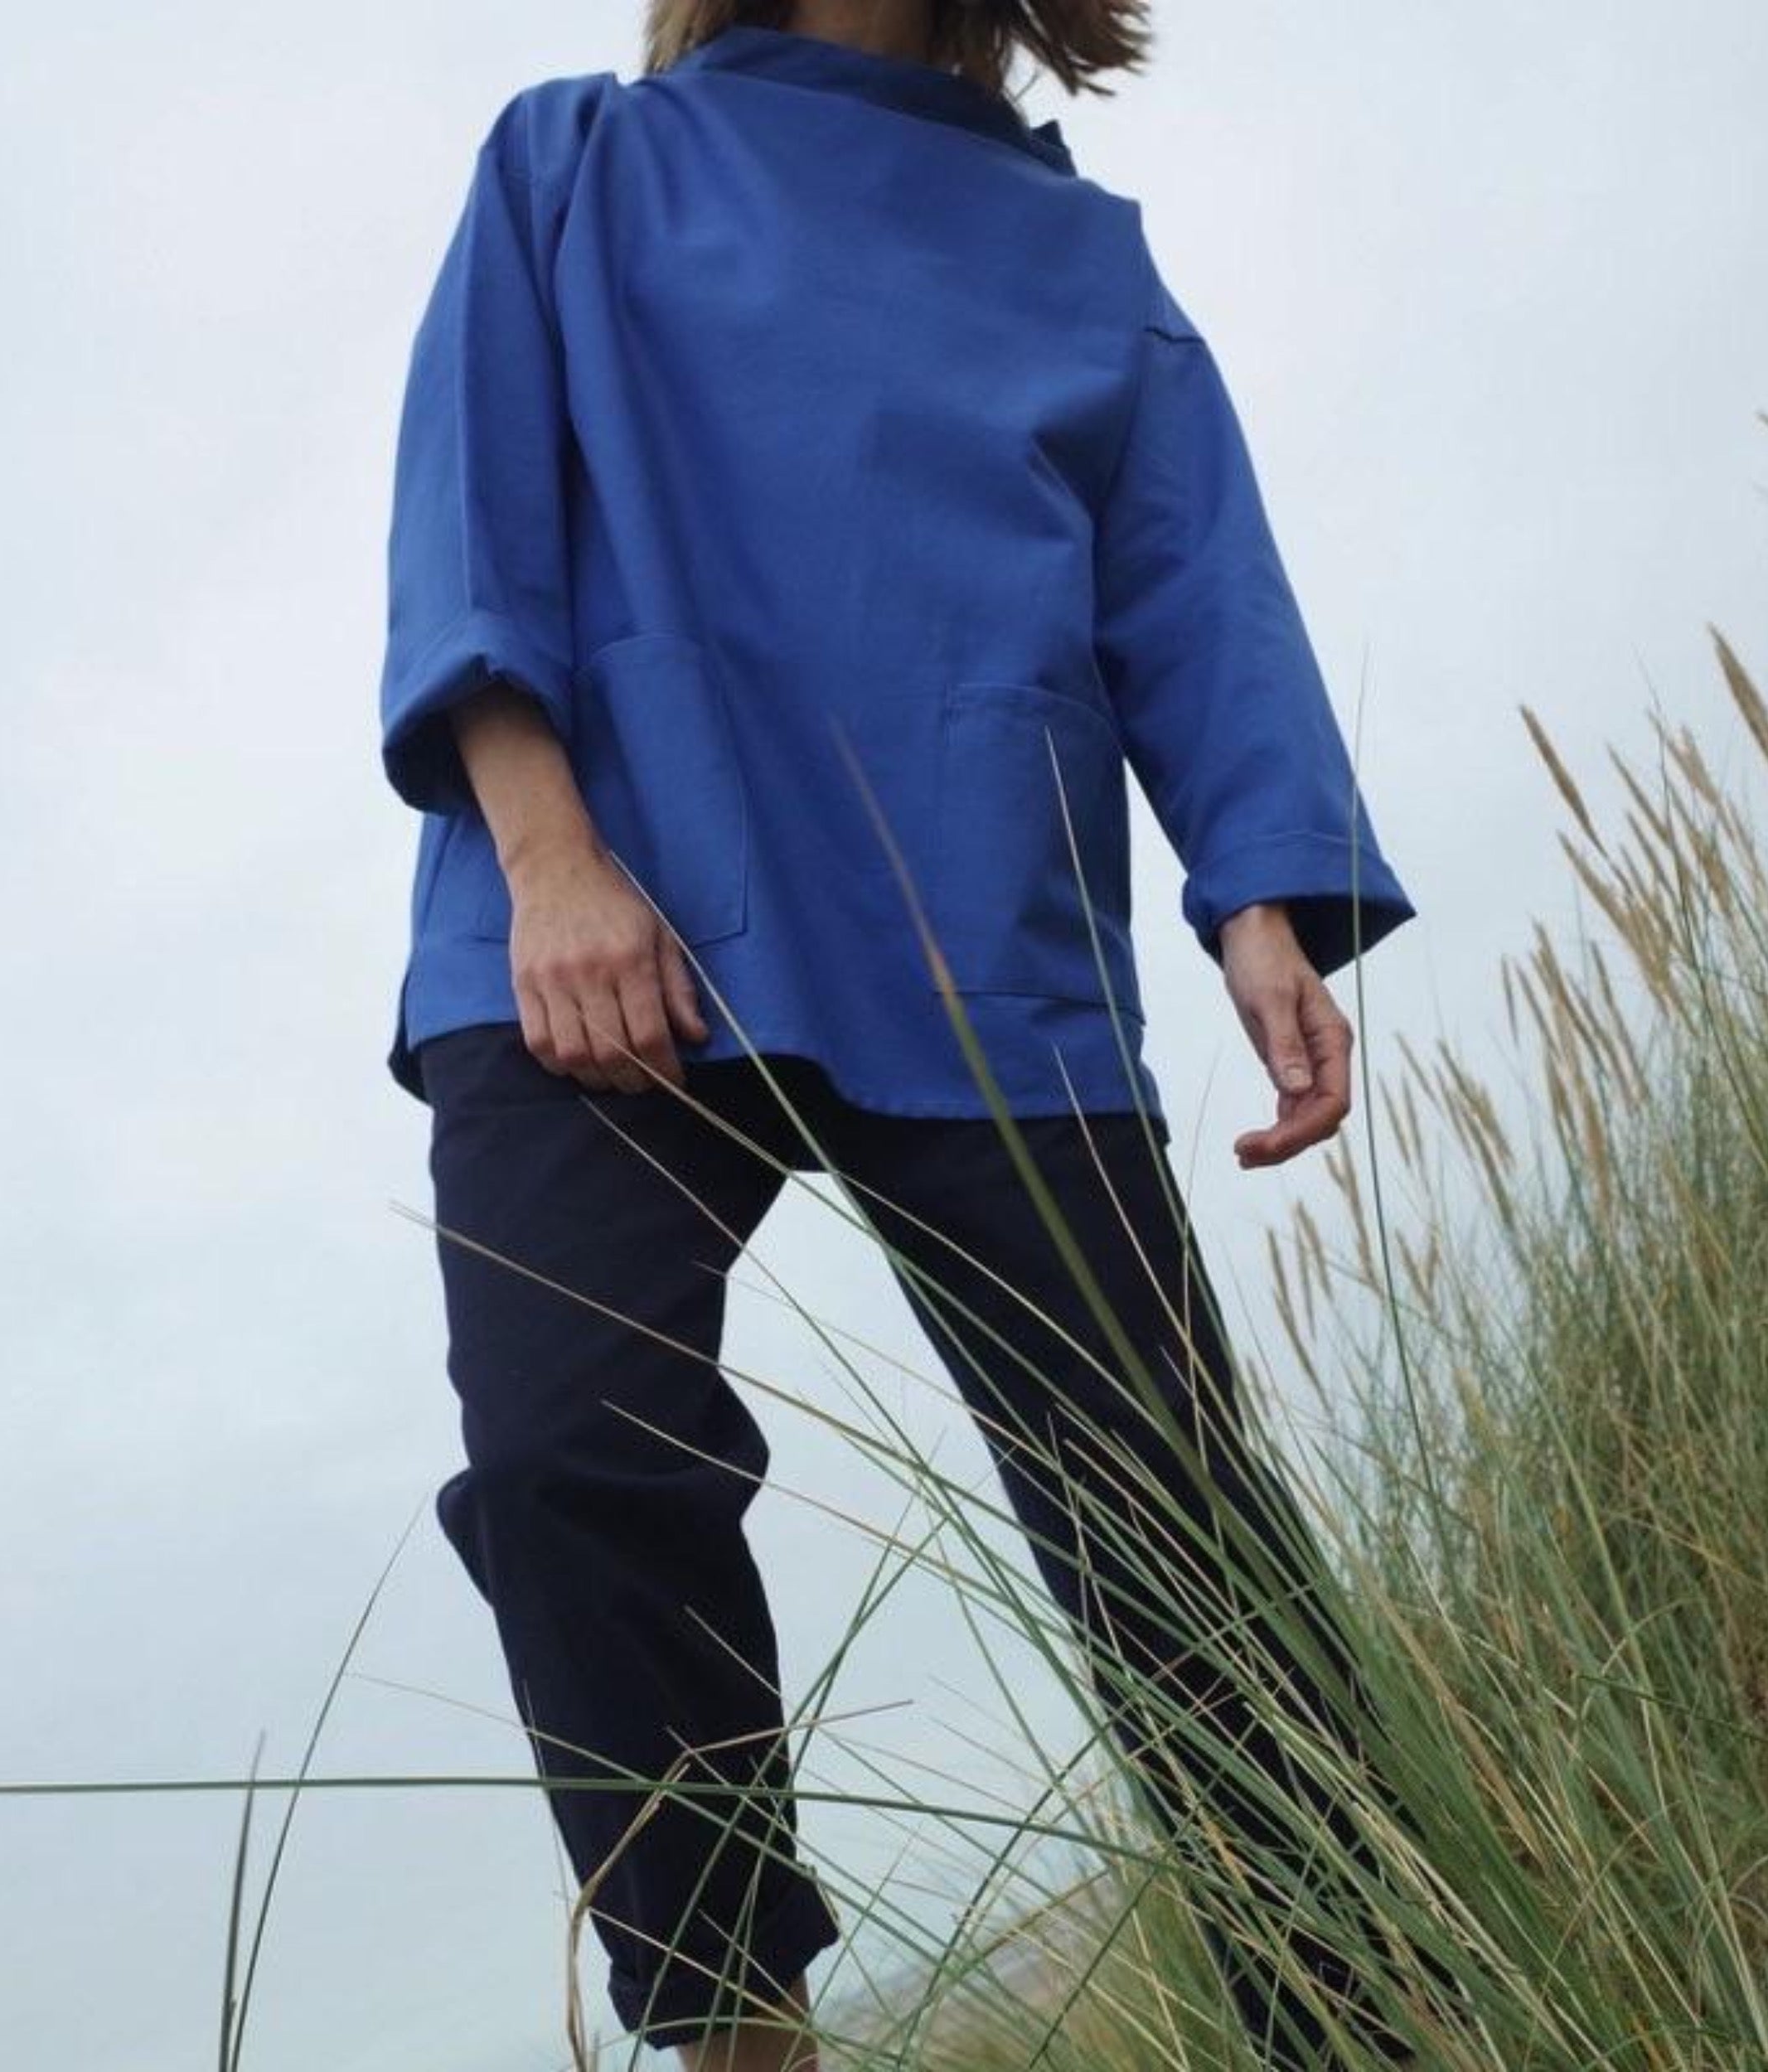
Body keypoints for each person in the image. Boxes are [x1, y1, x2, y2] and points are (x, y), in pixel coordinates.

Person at [376, 3, 1452, 2065]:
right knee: (565, 1446)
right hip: (603, 900)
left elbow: (1190, 586)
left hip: (978, 900)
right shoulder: (576, 161)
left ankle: (1368, 2026)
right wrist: (550, 859)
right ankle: (739, 2022)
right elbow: (468, 524)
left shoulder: (1077, 262)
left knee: (1170, 1522)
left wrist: (1258, 900)